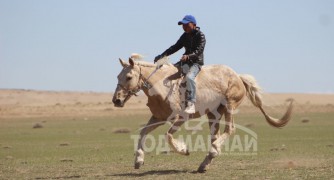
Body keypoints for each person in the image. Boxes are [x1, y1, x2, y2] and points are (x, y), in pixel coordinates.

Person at [154, 15, 206, 114]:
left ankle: (191, 103)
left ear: (194, 25)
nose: (184, 27)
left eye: (186, 25)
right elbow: (174, 47)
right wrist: (162, 56)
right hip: (184, 62)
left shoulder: (201, 35)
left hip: (196, 63)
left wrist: (188, 56)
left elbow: (199, 51)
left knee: (190, 77)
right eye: (183, 25)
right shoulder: (185, 36)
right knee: (168, 71)